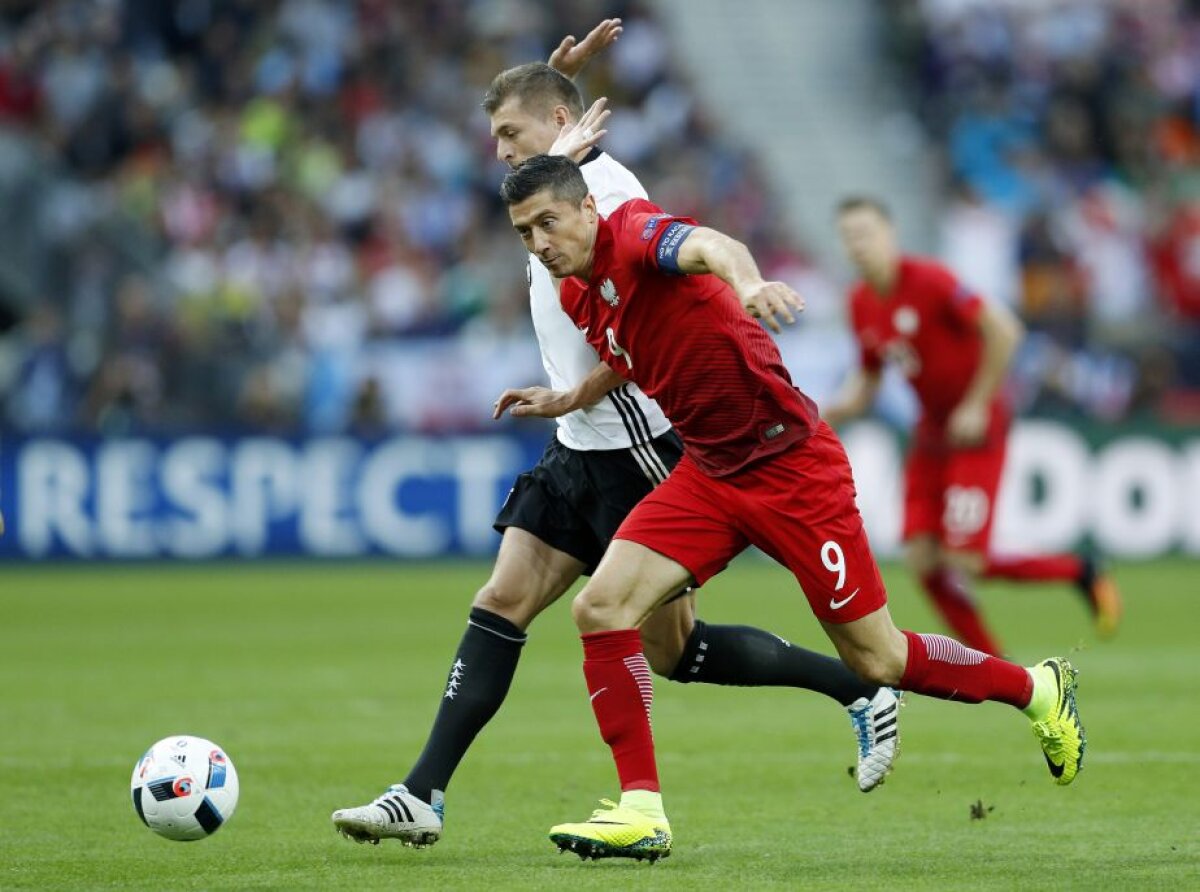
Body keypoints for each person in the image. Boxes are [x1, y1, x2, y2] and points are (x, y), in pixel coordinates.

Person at [330, 23, 900, 850]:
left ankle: (857, 687)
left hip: (638, 446)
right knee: (504, 600)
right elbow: (552, 148)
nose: (498, 151)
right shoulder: (550, 183)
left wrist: (736, 286)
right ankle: (421, 794)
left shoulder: (605, 189)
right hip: (578, 440)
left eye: (510, 134)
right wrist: (551, 87)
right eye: (495, 138)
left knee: (673, 649)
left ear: (560, 125)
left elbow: (659, 307)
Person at [496, 151, 1086, 863]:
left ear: (587, 210)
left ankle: (1037, 688)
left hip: (792, 470)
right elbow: (629, 352)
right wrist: (567, 399)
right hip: (709, 474)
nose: (539, 243)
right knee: (601, 607)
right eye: (525, 232)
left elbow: (714, 246)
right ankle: (640, 809)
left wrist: (746, 284)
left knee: (879, 660)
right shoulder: (575, 293)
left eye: (548, 223)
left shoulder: (638, 233)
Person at [825, 196, 1122, 657]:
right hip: (931, 433)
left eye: (866, 233)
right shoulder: (860, 302)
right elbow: (867, 380)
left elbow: (1005, 331)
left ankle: (1081, 571)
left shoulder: (931, 280)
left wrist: (978, 403)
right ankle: (992, 663)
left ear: (890, 234)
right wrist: (824, 414)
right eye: (849, 237)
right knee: (921, 559)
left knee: (967, 560)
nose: (858, 245)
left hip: (976, 429)